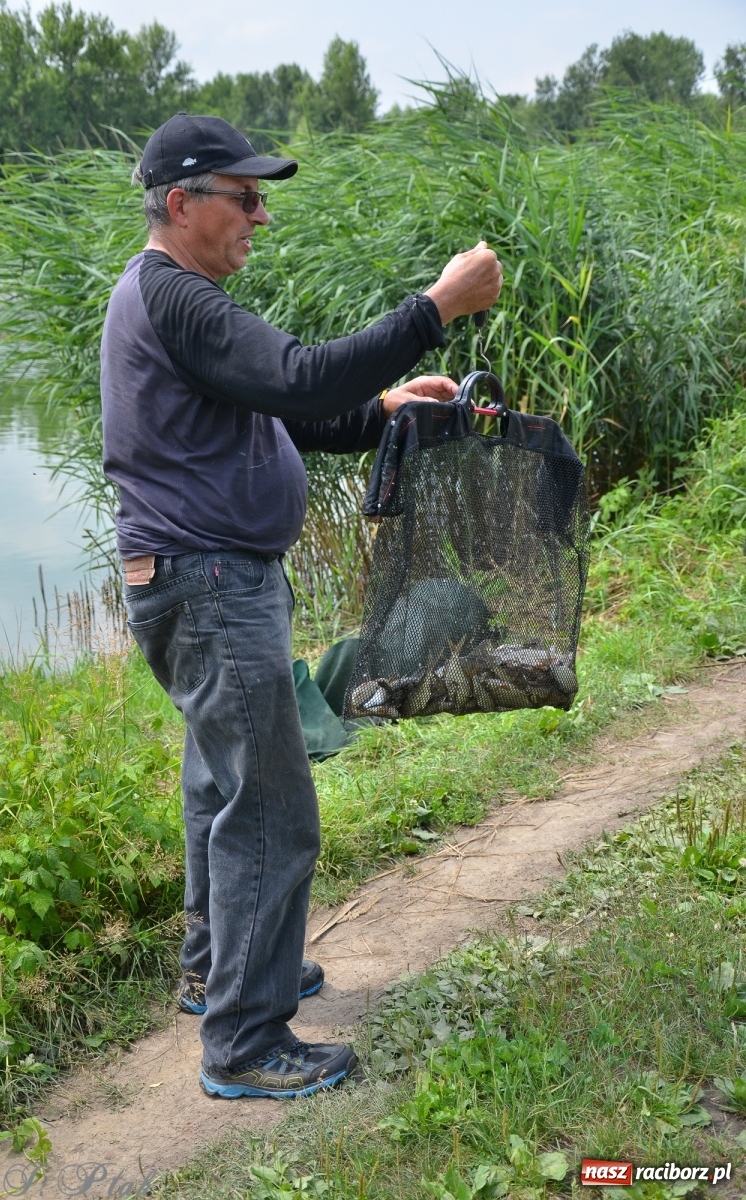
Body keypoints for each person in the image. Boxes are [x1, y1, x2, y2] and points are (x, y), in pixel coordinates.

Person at [100, 112, 503, 1100]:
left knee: (221, 788)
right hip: (210, 587)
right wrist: (435, 307)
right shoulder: (176, 296)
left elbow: (288, 408)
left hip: (198, 583)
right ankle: (244, 1042)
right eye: (244, 197)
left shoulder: (172, 299)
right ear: (182, 203)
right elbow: (298, 374)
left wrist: (385, 411)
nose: (261, 215)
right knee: (273, 811)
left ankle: (217, 971)